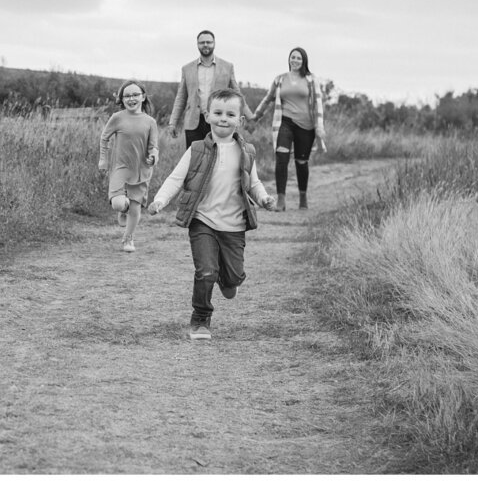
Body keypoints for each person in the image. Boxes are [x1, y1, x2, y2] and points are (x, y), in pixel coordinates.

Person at [148, 88, 275, 340]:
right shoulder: (196, 149)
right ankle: (201, 320)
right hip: (202, 220)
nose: (223, 118)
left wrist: (263, 198)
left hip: (234, 225)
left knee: (233, 279)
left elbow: (254, 183)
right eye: (217, 113)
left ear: (240, 120)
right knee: (206, 271)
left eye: (230, 114)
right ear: (207, 116)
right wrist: (160, 201)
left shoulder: (246, 151)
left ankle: (228, 281)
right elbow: (176, 178)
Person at [253, 47, 326, 212]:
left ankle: (302, 196)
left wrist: (319, 126)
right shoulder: (280, 79)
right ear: (289, 59)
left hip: (306, 126)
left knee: (301, 162)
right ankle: (281, 200)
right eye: (293, 57)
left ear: (304, 61)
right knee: (281, 158)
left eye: (299, 58)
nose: (295, 60)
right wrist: (255, 117)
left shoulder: (311, 80)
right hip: (284, 123)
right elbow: (267, 99)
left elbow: (318, 104)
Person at [99, 80, 160, 253]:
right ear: (121, 99)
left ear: (143, 97)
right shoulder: (117, 118)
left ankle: (128, 239)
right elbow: (104, 138)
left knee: (135, 206)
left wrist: (153, 157)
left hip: (141, 169)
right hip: (120, 166)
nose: (131, 98)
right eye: (127, 95)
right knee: (118, 204)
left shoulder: (150, 122)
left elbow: (154, 146)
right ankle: (123, 209)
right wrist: (103, 159)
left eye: (135, 95)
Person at [168, 30, 254, 149]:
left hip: (218, 120)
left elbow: (237, 94)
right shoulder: (187, 68)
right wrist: (173, 122)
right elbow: (181, 98)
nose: (205, 45)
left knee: (217, 157)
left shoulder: (227, 67)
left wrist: (250, 118)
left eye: (209, 42)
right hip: (193, 122)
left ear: (214, 43)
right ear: (197, 44)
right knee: (195, 159)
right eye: (202, 42)